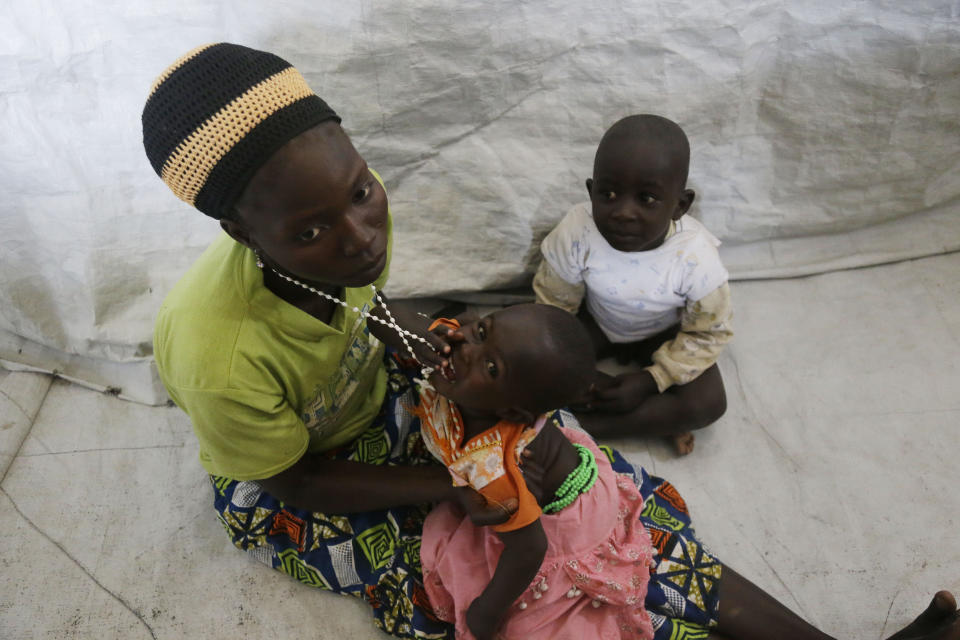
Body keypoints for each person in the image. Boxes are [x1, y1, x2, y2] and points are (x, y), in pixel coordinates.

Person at [142, 43, 523, 639]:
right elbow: (297, 481)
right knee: (443, 583)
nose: (361, 238)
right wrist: (445, 485)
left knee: (526, 422)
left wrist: (415, 338)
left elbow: (363, 304)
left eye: (362, 191)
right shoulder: (219, 358)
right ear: (244, 233)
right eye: (312, 230)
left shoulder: (347, 225)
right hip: (290, 480)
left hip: (371, 397)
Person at [415, 304, 960, 640]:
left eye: (489, 364)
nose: (464, 345)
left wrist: (485, 614)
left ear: (514, 411)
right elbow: (426, 327)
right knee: (680, 572)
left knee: (669, 580)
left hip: (566, 532)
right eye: (480, 329)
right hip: (580, 482)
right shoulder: (457, 357)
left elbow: (529, 550)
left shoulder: (502, 466)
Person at [534, 114, 732, 455]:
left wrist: (651, 379)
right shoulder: (577, 230)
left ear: (680, 205)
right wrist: (569, 364)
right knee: (527, 349)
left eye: (647, 199)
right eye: (608, 194)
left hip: (662, 333)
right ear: (590, 191)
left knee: (709, 402)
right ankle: (651, 416)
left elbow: (707, 333)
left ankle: (586, 428)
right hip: (595, 321)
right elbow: (554, 305)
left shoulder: (696, 259)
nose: (623, 212)